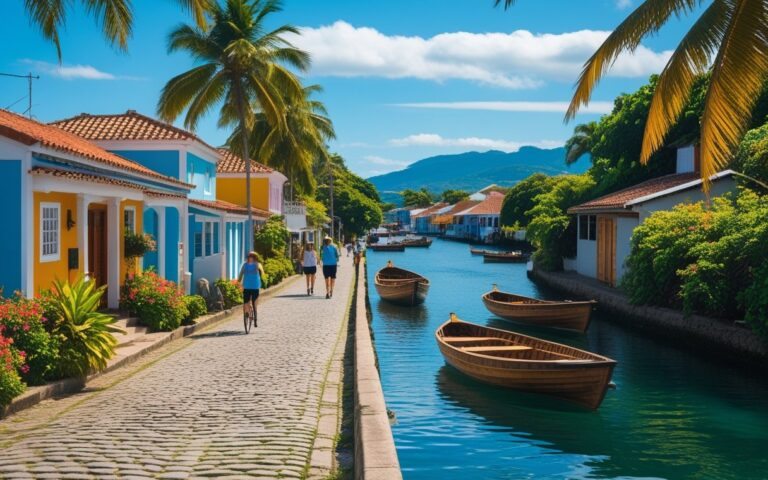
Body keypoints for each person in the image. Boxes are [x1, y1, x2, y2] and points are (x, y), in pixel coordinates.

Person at [238, 251, 265, 327]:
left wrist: (262, 279)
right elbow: (241, 274)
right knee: (246, 302)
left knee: (254, 303)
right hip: (246, 286)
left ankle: (255, 319)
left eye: (252, 257)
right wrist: (238, 282)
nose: (250, 258)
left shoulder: (258, 265)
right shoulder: (245, 265)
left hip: (255, 287)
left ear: (255, 258)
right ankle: (246, 313)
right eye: (249, 256)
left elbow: (262, 273)